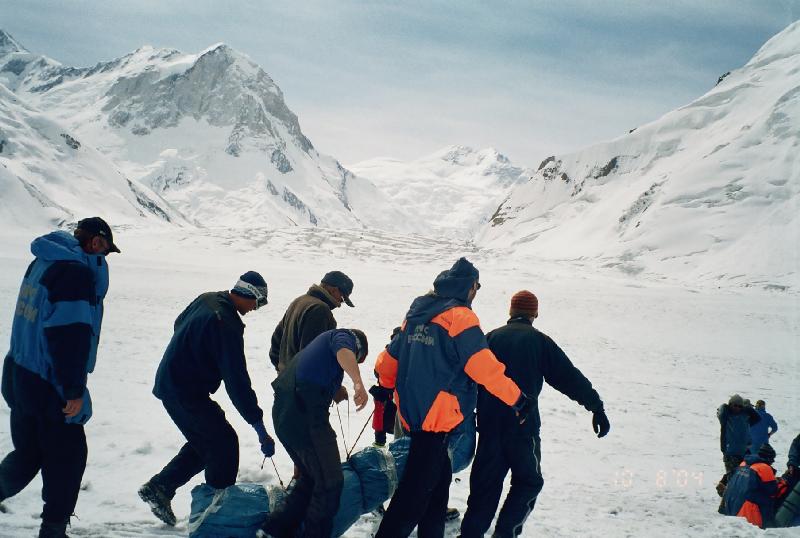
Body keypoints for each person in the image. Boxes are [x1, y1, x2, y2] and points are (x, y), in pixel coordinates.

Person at [373, 257, 528, 538]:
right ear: (469, 287)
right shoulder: (461, 317)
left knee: (437, 492)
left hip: (412, 415)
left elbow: (387, 362)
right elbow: (485, 368)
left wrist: (385, 385)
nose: (476, 293)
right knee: (411, 500)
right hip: (437, 420)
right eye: (476, 287)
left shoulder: (417, 313)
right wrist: (516, 398)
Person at [0, 217, 119, 538]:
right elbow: (69, 336)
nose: (104, 259)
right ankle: (53, 530)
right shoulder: (75, 274)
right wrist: (73, 390)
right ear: (96, 242)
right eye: (105, 251)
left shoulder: (44, 260)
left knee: (29, 453)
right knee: (68, 458)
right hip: (44, 380)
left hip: (17, 369)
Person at [459, 290, 610, 538]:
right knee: (529, 482)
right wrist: (596, 406)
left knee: (484, 491)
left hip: (489, 430)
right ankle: (505, 533)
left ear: (511, 311)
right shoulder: (539, 342)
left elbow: (465, 379)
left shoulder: (489, 339)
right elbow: (568, 378)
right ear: (534, 313)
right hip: (523, 430)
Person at [138, 272, 275, 527]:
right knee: (224, 444)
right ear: (249, 294)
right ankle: (216, 514)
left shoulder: (207, 299)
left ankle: (160, 488)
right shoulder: (225, 322)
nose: (255, 309)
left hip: (175, 384)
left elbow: (179, 323)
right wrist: (257, 424)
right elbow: (236, 379)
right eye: (258, 302)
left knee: (208, 441)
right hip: (184, 389)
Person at [258, 328, 369, 538]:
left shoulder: (318, 345)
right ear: (358, 348)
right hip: (304, 417)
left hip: (286, 416)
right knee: (330, 483)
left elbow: (312, 372)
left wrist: (334, 390)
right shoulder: (343, 337)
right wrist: (357, 381)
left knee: (311, 478)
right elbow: (344, 351)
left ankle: (273, 530)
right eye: (358, 358)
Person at [269, 271, 355, 373]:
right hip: (304, 385)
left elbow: (276, 342)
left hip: (287, 382)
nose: (340, 303)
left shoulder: (299, 301)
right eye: (342, 297)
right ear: (333, 290)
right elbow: (313, 359)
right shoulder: (319, 310)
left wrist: (283, 373)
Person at [722, 443, 782, 528]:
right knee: (768, 499)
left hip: (730, 507)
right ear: (769, 458)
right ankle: (769, 524)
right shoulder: (764, 467)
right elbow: (773, 490)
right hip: (746, 513)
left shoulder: (743, 463)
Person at [717, 394, 761, 499]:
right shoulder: (726, 416)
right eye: (734, 405)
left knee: (741, 474)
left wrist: (748, 408)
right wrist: (725, 406)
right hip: (730, 451)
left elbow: (757, 418)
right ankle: (728, 498)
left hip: (744, 451)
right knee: (733, 476)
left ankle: (723, 487)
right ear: (730, 405)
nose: (737, 408)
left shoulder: (745, 416)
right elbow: (721, 411)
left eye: (740, 406)